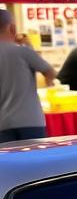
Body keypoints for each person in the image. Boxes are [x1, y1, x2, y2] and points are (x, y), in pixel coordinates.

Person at [0, 9, 53, 142]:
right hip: (30, 121)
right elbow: (49, 71)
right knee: (36, 160)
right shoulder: (22, 51)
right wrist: (49, 83)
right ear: (12, 28)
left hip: (2, 124)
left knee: (8, 162)